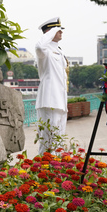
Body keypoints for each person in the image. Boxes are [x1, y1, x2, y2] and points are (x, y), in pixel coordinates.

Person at [35, 17, 69, 153]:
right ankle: (45, 168)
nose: (61, 32)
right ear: (49, 31)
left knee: (59, 138)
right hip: (49, 100)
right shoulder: (44, 51)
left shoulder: (59, 50)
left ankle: (57, 168)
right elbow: (39, 46)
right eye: (58, 30)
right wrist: (50, 33)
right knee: (48, 138)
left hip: (60, 100)